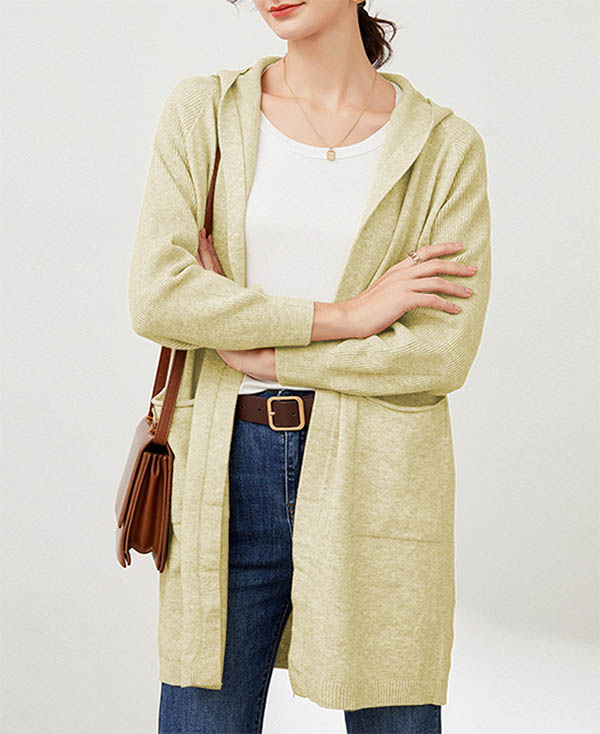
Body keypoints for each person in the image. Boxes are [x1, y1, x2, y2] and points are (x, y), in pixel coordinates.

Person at [127, 2, 492, 732]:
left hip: (380, 471)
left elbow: (439, 351)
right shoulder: (206, 113)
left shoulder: (443, 148)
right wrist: (348, 316)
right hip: (224, 468)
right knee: (203, 714)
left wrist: (270, 352)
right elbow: (159, 296)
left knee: (395, 711)